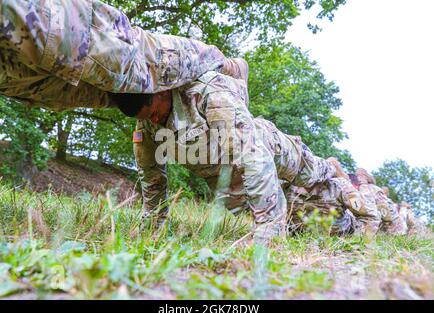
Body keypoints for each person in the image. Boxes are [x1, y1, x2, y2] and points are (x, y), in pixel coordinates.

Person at [114, 70, 343, 244]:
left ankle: (332, 167)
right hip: (229, 179)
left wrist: (267, 229)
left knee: (311, 175)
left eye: (154, 113)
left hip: (266, 147)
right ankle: (347, 222)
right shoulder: (146, 126)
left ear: (162, 91)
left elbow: (251, 155)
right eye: (146, 119)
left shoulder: (207, 92)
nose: (153, 121)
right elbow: (152, 179)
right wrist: (153, 228)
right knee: (306, 219)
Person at [0, 0, 247, 111]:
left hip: (38, 22)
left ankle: (225, 65)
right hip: (3, 69)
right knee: (119, 99)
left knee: (138, 67)